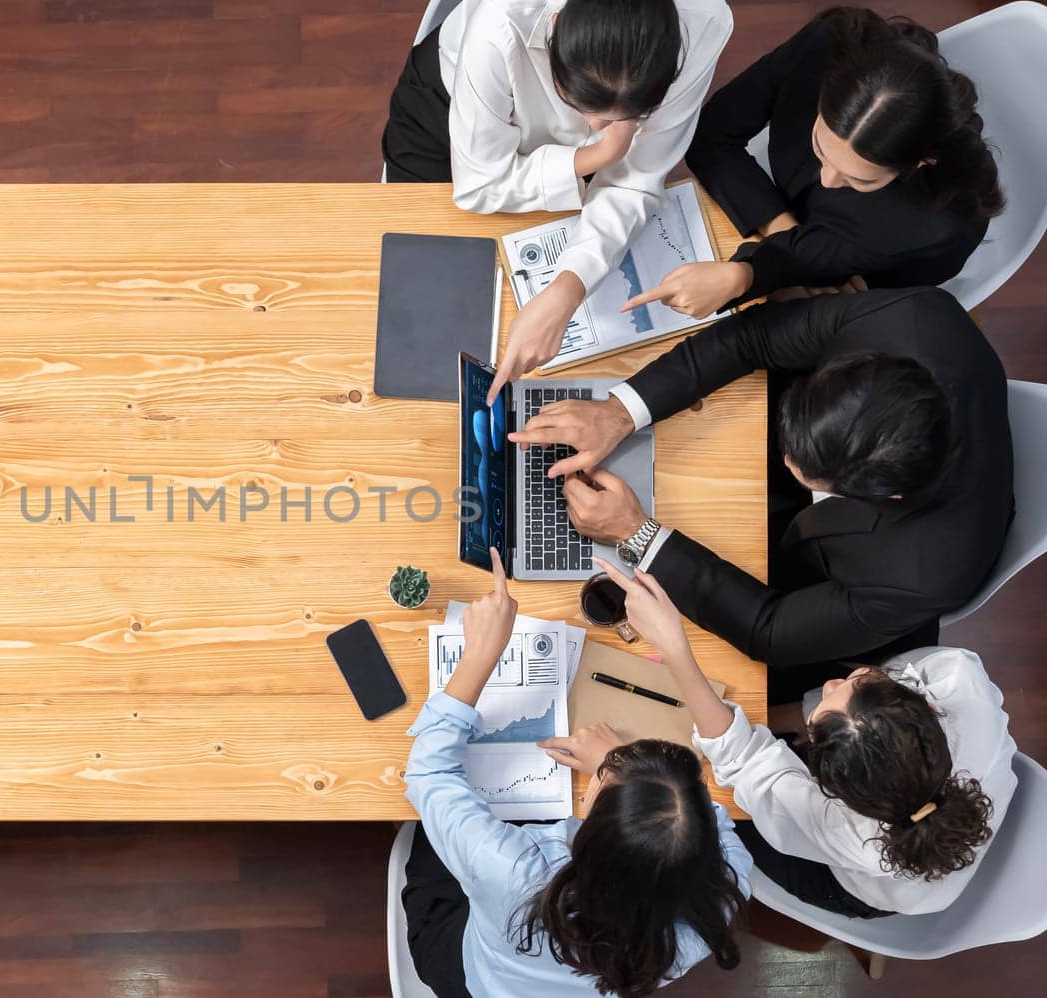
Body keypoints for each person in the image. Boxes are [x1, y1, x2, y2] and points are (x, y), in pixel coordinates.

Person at [506, 287, 1013, 701]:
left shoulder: (924, 576)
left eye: (802, 467)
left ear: (886, 497)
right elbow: (754, 338)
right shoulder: (913, 314)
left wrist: (636, 534)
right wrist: (620, 412)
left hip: (815, 580)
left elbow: (770, 632)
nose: (786, 458)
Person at [402, 549, 750, 996]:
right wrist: (623, 773)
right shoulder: (723, 893)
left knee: (428, 824)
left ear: (590, 827)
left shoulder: (514, 874)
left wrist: (479, 656)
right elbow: (707, 819)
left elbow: (428, 774)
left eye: (604, 781)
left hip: (470, 968)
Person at [596, 557, 1018, 917]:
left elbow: (743, 762)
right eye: (853, 681)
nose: (831, 684)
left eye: (818, 720)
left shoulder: (855, 834)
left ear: (829, 785)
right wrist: (771, 718)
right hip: (922, 824)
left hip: (858, 884)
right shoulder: (956, 676)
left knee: (712, 814)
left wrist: (675, 650)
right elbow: (826, 720)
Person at [381, 0, 734, 396]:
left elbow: (635, 183)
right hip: (448, 122)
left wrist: (567, 289)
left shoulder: (703, 24)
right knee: (415, 293)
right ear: (554, 27)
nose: (598, 126)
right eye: (582, 106)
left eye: (628, 116)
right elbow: (479, 184)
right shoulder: (499, 24)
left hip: (562, 171)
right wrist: (601, 155)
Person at [629, 7, 1004, 318]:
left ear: (920, 163)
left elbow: (855, 285)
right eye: (820, 148)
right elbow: (711, 136)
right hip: (802, 241)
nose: (827, 179)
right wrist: (787, 234)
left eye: (859, 179)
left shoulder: (933, 225)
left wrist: (772, 273)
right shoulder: (828, 45)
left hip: (871, 281)